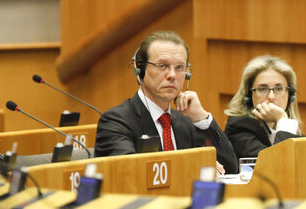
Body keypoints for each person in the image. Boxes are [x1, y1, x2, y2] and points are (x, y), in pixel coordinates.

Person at [94, 31, 238, 174]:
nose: (172, 75)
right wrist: (193, 166)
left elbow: (230, 169)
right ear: (140, 69)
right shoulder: (115, 121)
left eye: (179, 67)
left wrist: (201, 118)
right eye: (162, 66)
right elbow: (128, 173)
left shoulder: (185, 123)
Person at [223, 55, 302, 159]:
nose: (271, 97)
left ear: (290, 95)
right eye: (262, 89)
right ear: (248, 96)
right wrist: (283, 120)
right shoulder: (239, 128)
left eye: (279, 88)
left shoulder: (293, 130)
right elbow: (276, 165)